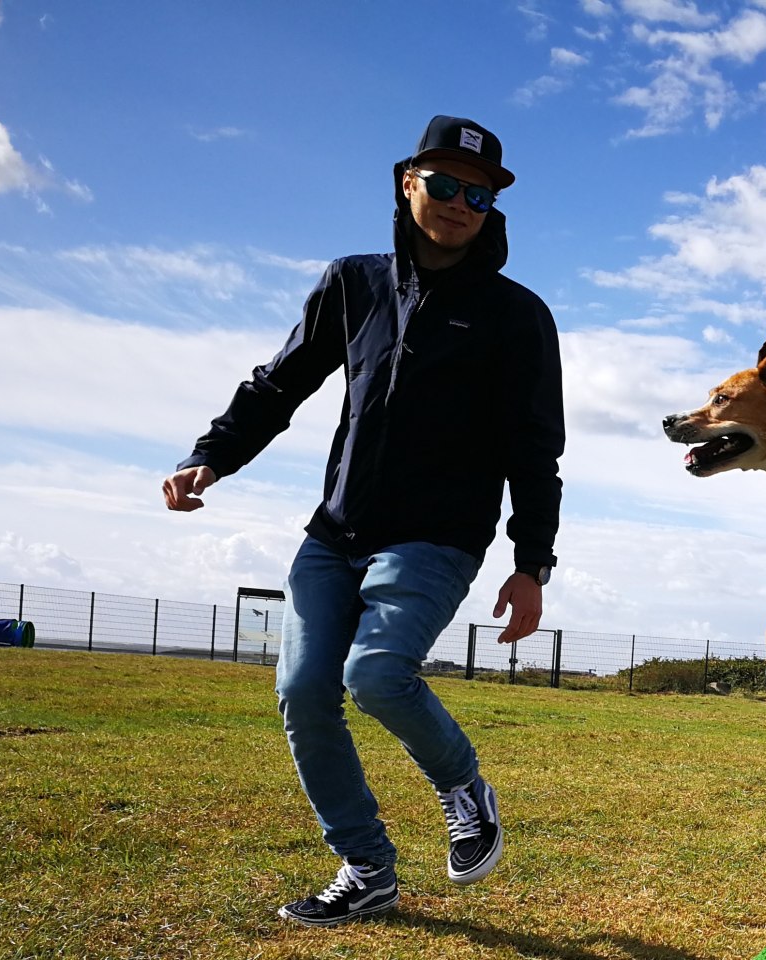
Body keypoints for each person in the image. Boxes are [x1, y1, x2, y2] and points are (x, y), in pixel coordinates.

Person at [161, 115, 565, 927]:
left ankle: (463, 787)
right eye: (444, 184)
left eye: (478, 193)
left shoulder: (517, 316)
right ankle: (366, 867)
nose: (459, 203)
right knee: (304, 692)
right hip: (334, 534)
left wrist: (532, 561)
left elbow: (535, 448)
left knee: (374, 674)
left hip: (437, 537)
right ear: (406, 182)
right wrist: (214, 454)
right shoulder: (352, 284)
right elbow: (278, 385)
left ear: (492, 209)